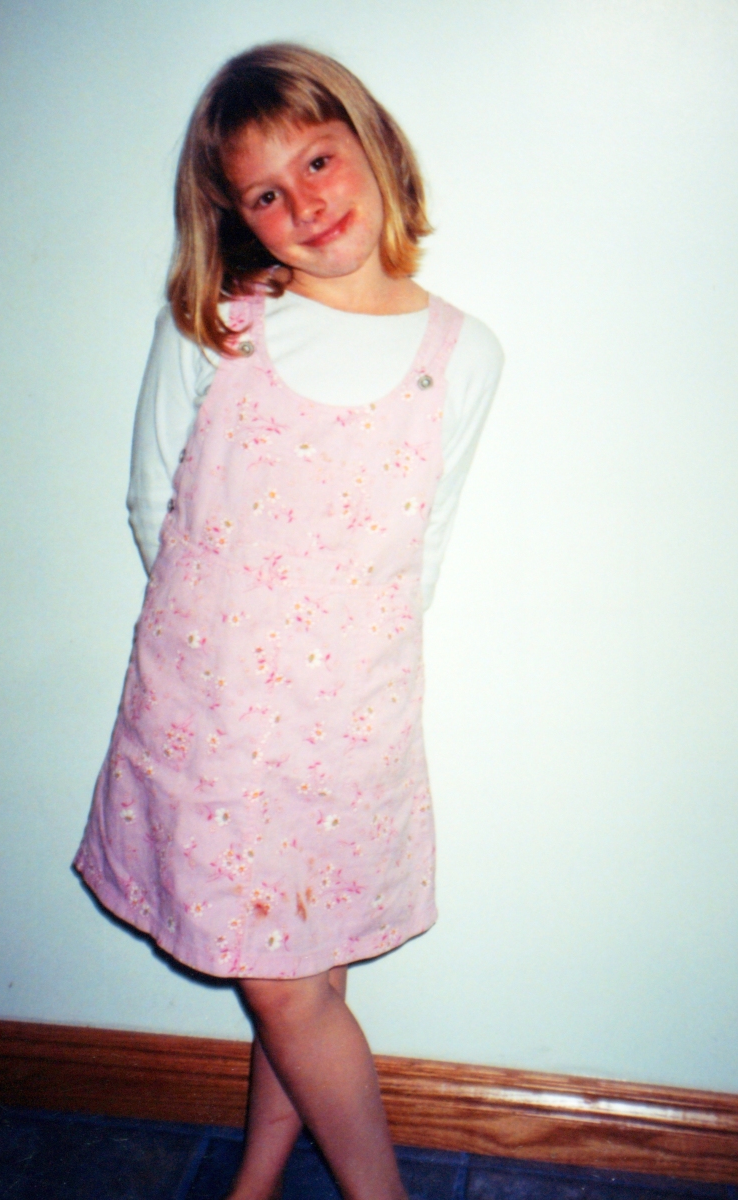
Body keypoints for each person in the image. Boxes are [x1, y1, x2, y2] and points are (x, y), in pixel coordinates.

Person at [74, 43, 503, 1200]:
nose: (306, 204)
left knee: (301, 962)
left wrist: (342, 669)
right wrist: (225, 647)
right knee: (281, 977)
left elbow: (424, 544)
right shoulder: (223, 324)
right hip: (212, 720)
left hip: (349, 721)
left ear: (374, 144)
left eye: (318, 160)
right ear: (237, 217)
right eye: (266, 193)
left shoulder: (460, 356)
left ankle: (255, 1179)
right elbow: (152, 499)